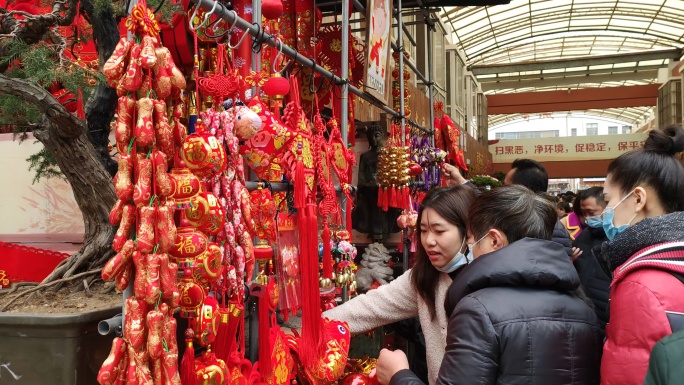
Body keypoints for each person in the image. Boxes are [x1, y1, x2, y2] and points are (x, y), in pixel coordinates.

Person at [377, 185, 603, 385]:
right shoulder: (584, 310)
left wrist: (399, 375)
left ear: (494, 240)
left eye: (474, 240)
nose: (471, 248)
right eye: (424, 231)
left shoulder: (479, 310)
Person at [326, 185, 477, 385]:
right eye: (423, 231)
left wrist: (399, 375)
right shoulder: (425, 277)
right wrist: (316, 328)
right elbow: (373, 306)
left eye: (439, 231)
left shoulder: (483, 285)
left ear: (468, 233)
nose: (429, 241)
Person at [597, 125, 684, 385]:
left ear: (637, 199)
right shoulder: (674, 260)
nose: (605, 212)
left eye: (608, 200)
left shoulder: (641, 284)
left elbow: (631, 374)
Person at [503, 158, 578, 258]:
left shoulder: (550, 228)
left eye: (506, 186)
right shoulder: (510, 218)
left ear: (522, 188)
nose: (501, 190)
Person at [572, 187, 611, 330]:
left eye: (591, 212)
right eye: (583, 213)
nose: (587, 218)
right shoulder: (584, 235)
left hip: (606, 313)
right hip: (583, 310)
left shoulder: (618, 237)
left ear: (608, 209)